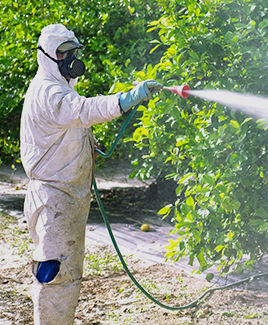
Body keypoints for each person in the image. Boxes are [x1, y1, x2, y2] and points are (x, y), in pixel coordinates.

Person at [20, 23, 162, 324]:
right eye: (63, 54)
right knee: (55, 274)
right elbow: (83, 110)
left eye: (73, 53)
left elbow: (72, 124)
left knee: (66, 273)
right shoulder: (49, 91)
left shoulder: (60, 87)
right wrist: (126, 99)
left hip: (65, 197)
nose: (71, 60)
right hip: (53, 199)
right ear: (47, 56)